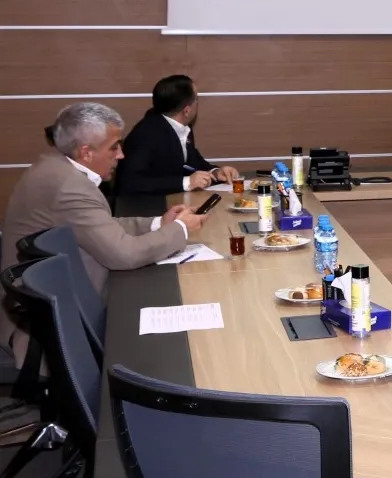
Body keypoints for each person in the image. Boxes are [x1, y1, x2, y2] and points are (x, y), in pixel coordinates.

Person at [1, 103, 209, 354]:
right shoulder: (68, 186)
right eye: (114, 147)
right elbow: (124, 254)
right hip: (55, 325)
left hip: (63, 295)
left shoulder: (57, 166)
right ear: (86, 152)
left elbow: (101, 225)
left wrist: (159, 223)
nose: (121, 155)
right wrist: (180, 229)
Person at [115, 75, 241, 196]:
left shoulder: (181, 126)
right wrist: (186, 182)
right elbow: (129, 183)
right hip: (147, 206)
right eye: (196, 99)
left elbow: (192, 162)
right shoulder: (145, 135)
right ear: (187, 111)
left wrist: (215, 172)